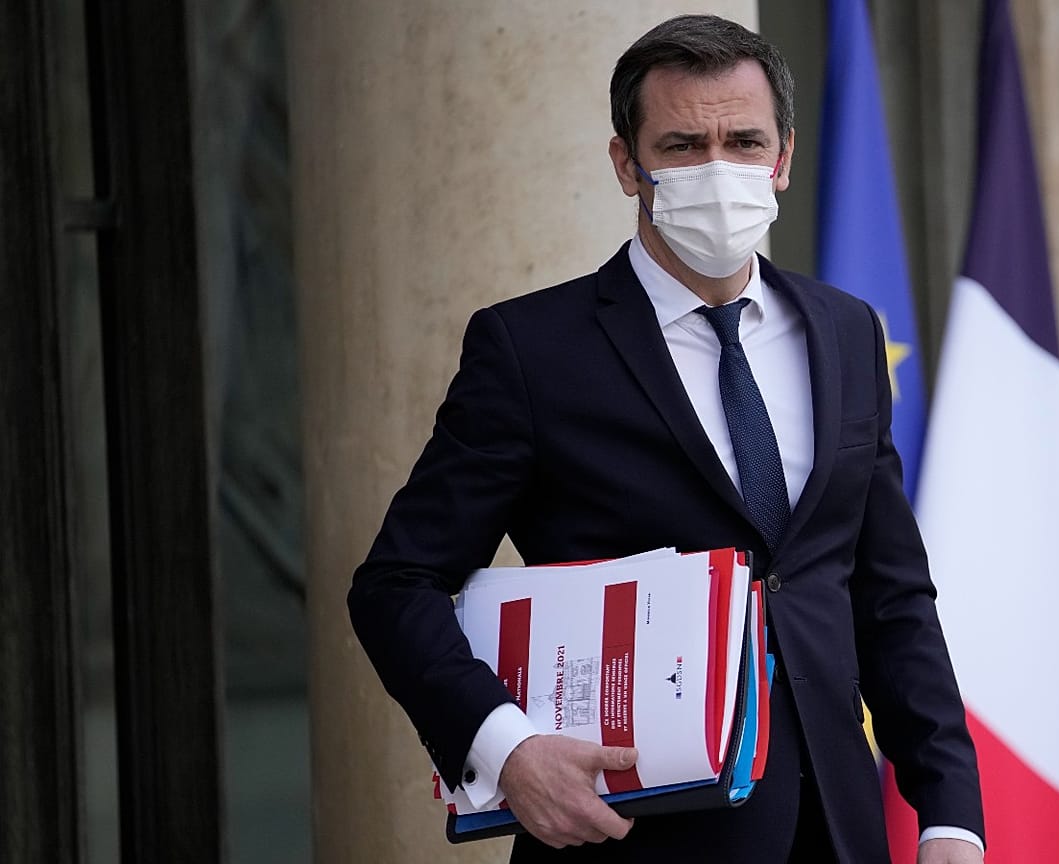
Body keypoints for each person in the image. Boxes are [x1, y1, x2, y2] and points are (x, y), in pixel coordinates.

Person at [349, 14, 983, 863]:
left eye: (744, 140)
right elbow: (396, 583)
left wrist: (950, 812)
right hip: (631, 836)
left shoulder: (845, 333)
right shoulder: (531, 351)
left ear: (784, 158)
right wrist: (507, 749)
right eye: (683, 144)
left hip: (837, 829)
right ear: (627, 164)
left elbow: (889, 592)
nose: (719, 168)